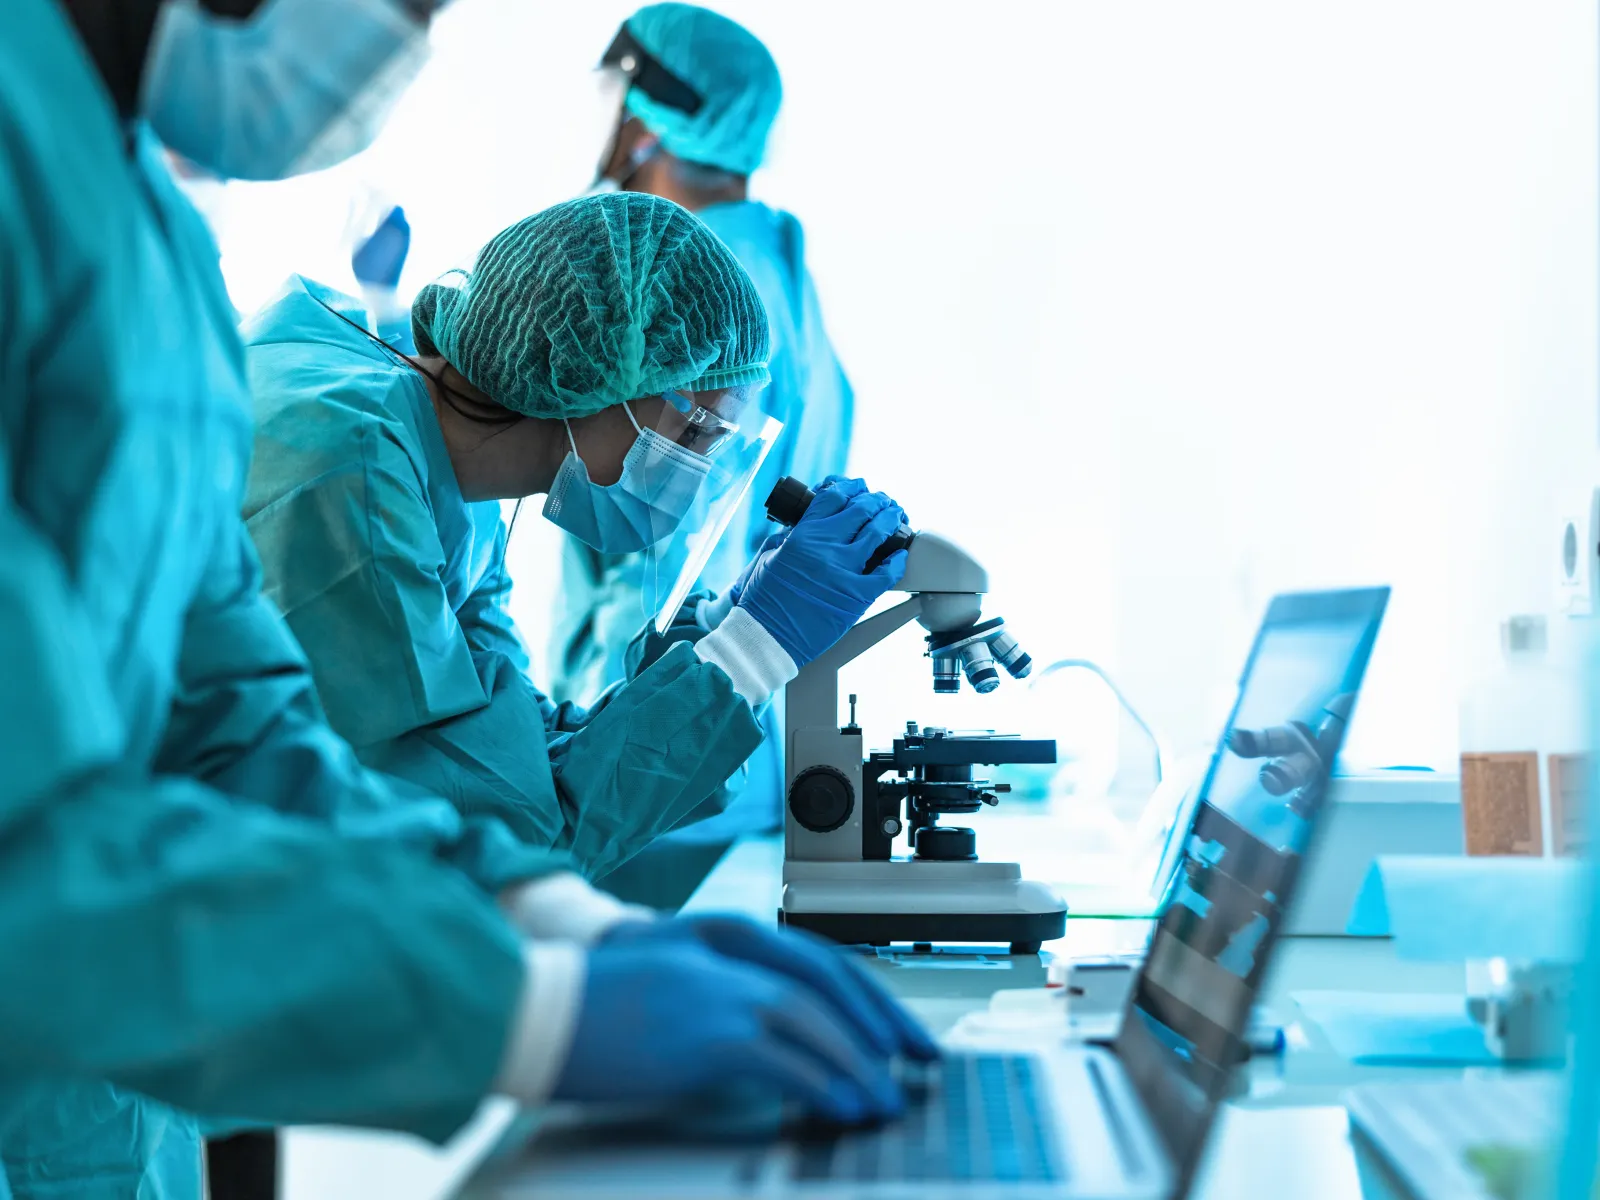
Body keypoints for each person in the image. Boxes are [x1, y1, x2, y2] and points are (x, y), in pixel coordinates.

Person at [0, 2, 934, 1198]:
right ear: (601, 375)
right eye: (696, 425)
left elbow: (244, 723)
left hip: (114, 1064)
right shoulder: (338, 465)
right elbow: (33, 829)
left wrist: (556, 922)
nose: (404, 39)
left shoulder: (156, 242)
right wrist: (532, 1013)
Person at [242, 190, 905, 880]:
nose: (701, 475)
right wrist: (751, 655)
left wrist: (712, 633)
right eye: (699, 433)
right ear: (593, 374)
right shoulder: (357, 478)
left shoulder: (449, 485)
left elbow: (515, 756)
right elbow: (505, 845)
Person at [551, 3, 858, 908]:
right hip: (731, 736)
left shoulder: (688, 283)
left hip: (655, 738)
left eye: (613, 99)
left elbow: (663, 537)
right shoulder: (779, 266)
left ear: (646, 119)